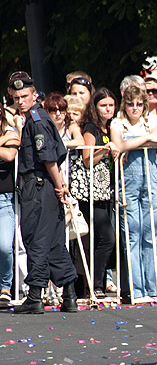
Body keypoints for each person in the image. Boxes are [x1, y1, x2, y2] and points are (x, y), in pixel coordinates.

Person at [9, 74, 78, 314]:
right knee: (54, 243)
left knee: (36, 240)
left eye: (25, 96)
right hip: (44, 186)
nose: (20, 101)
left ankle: (35, 295)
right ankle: (69, 295)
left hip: (38, 187)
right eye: (16, 97)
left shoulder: (37, 120)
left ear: (35, 94)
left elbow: (48, 157)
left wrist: (60, 186)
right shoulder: (37, 118)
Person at [110, 84, 157, 300]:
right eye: (130, 104)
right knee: (133, 235)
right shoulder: (117, 122)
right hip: (129, 179)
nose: (135, 108)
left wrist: (135, 142)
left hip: (151, 176)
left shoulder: (151, 121)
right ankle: (136, 289)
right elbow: (119, 144)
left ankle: (153, 288)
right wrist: (145, 139)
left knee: (152, 233)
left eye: (139, 104)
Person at [80, 88, 118, 298]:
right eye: (104, 105)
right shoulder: (91, 128)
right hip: (92, 192)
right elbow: (87, 160)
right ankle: (96, 285)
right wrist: (106, 150)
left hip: (106, 191)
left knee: (104, 239)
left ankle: (98, 284)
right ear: (95, 107)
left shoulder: (109, 128)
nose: (108, 109)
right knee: (106, 238)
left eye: (111, 105)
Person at [0, 101, 20, 309]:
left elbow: (9, 154)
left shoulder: (10, 132)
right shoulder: (7, 136)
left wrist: (6, 137)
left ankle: (5, 286)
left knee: (5, 246)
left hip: (4, 198)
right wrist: (3, 140)